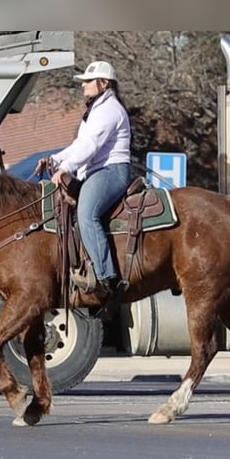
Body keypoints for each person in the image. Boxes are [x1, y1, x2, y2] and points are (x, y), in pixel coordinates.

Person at [40, 60, 132, 300]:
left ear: (104, 83)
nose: (84, 86)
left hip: (110, 171)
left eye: (88, 81)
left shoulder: (109, 110)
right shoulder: (96, 110)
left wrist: (65, 168)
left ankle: (105, 276)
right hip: (96, 171)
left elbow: (90, 147)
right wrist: (55, 159)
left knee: (86, 214)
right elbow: (78, 146)